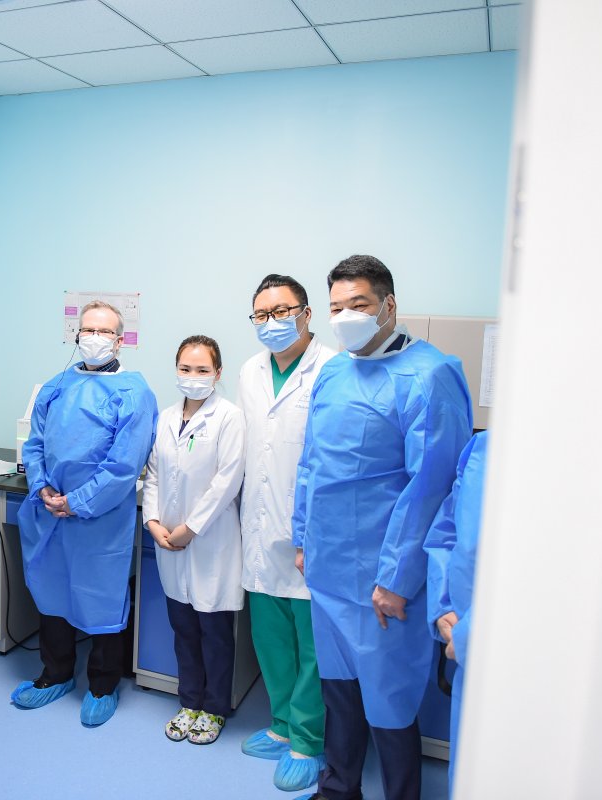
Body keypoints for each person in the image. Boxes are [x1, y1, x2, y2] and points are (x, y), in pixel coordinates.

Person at [293, 255, 473, 800]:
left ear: (388, 305)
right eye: (336, 308)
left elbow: (431, 488)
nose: (345, 317)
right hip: (329, 568)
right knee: (339, 689)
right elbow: (312, 463)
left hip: (382, 579)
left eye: (359, 304)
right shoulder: (333, 371)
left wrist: (397, 578)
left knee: (388, 700)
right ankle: (338, 788)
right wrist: (302, 537)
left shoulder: (430, 376)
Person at [11, 301, 158, 727]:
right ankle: (55, 673)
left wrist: (77, 501)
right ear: (77, 336)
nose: (94, 338)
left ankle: (102, 685)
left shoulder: (134, 393)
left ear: (120, 340)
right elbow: (34, 444)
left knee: (102, 599)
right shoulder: (56, 387)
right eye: (87, 330)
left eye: (104, 331)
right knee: (52, 592)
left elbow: (124, 466)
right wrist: (42, 486)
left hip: (99, 520)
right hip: (50, 512)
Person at [237, 274, 336, 793]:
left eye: (281, 311)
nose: (271, 322)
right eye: (261, 314)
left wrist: (314, 531)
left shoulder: (333, 369)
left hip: (308, 531)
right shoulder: (250, 371)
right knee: (270, 637)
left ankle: (308, 740)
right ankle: (280, 724)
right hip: (258, 525)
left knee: (311, 645)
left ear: (306, 313)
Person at [142, 335, 245, 746]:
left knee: (215, 633)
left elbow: (228, 480)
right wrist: (152, 520)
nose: (193, 376)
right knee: (183, 629)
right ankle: (189, 703)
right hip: (168, 539)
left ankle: (214, 708)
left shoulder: (229, 418)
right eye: (186, 368)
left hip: (211, 541)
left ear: (217, 373)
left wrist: (191, 527)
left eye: (202, 369)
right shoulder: (166, 418)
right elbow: (153, 474)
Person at [424, 431, 489, 794]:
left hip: (519, 658)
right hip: (464, 653)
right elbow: (446, 533)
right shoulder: (484, 447)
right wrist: (442, 605)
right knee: (466, 773)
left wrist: (467, 635)